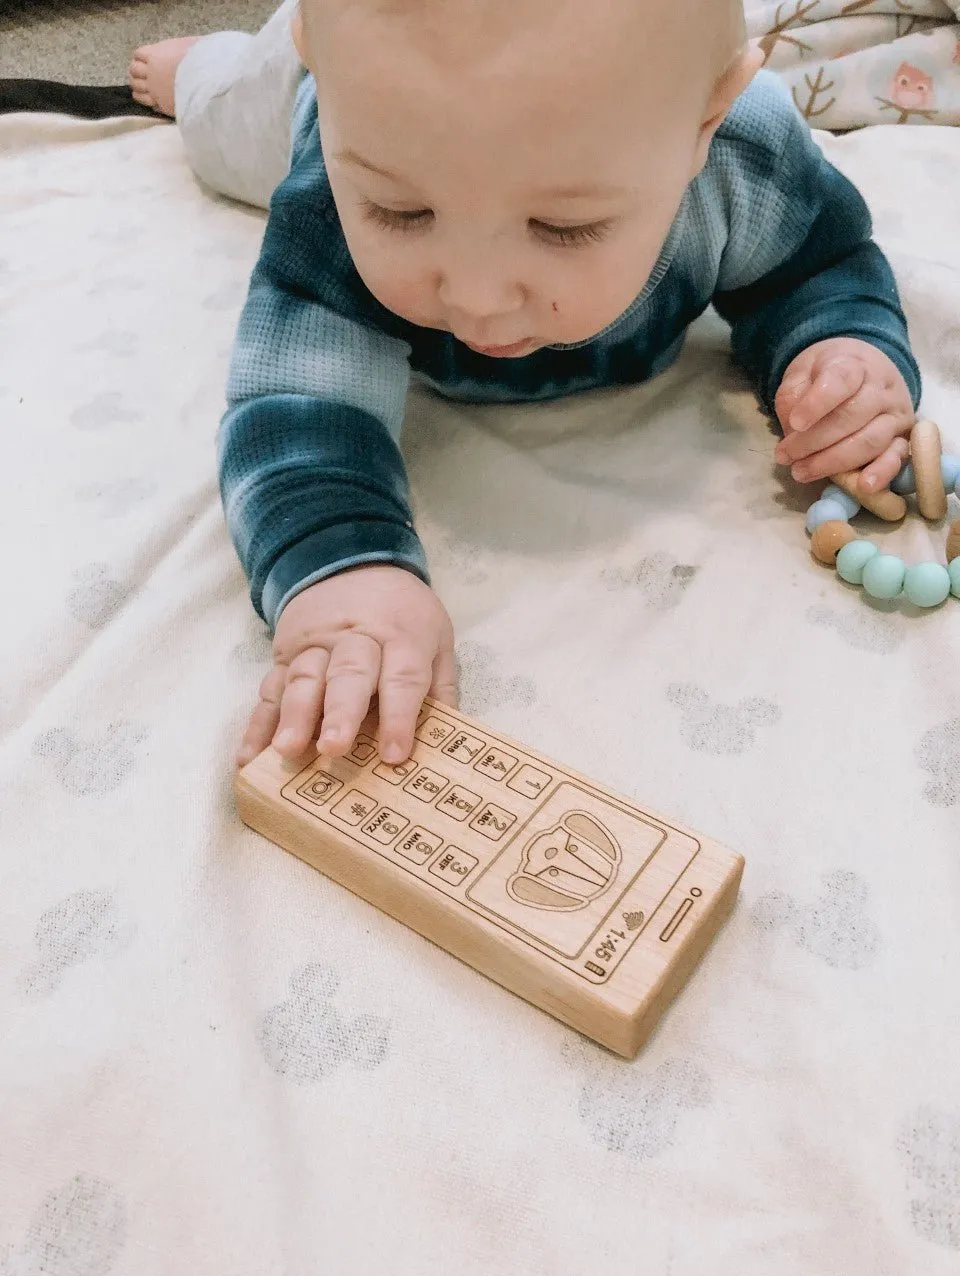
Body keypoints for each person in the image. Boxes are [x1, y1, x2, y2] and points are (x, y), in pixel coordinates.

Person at [129, 0, 920, 770]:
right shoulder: (331, 181)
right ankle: (204, 68)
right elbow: (299, 404)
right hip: (280, 95)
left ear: (707, 121)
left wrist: (840, 348)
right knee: (223, 116)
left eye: (562, 227)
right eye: (402, 211)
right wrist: (344, 567)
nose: (476, 296)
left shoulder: (749, 153)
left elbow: (819, 265)